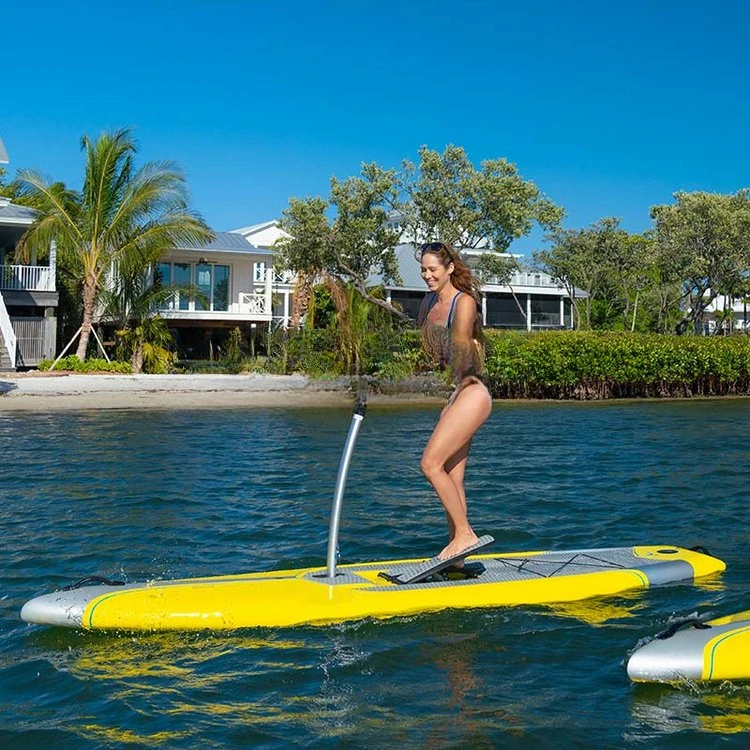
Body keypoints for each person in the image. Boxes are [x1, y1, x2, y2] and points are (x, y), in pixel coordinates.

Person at [416, 241, 492, 560]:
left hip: (473, 391)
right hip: (457, 393)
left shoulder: (465, 303)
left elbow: (460, 349)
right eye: (423, 269)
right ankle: (457, 554)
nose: (427, 275)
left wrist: (455, 391)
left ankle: (465, 535)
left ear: (449, 269)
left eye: (433, 269)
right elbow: (431, 351)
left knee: (430, 464)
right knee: (452, 476)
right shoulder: (427, 304)